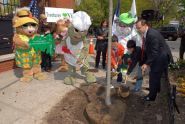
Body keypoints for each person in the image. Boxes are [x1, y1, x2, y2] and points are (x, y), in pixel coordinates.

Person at [135, 19, 173, 101]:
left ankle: (151, 96)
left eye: (139, 28)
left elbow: (154, 52)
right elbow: (148, 50)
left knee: (153, 75)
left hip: (161, 57)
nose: (138, 30)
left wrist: (146, 64)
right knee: (156, 75)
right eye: (136, 28)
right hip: (158, 55)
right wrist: (144, 62)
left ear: (145, 26)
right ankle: (155, 89)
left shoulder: (152, 34)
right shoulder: (147, 32)